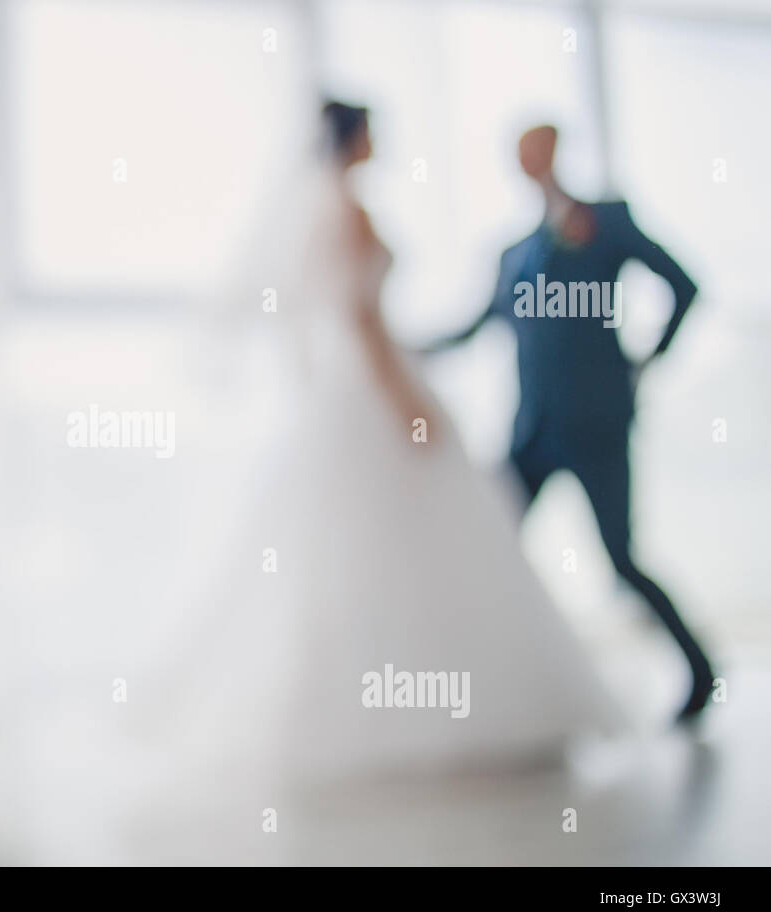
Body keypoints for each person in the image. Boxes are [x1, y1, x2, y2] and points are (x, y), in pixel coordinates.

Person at [121, 103, 626, 847]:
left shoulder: (315, 213)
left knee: (346, 560)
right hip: (374, 391)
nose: (382, 141)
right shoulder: (348, 212)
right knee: (398, 550)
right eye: (374, 130)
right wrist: (409, 409)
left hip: (341, 393)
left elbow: (313, 326)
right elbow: (363, 321)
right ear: (354, 139)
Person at [426, 125, 713, 721]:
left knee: (620, 557)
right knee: (492, 546)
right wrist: (402, 348)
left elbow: (684, 286)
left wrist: (646, 358)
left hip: (596, 427)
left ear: (555, 151)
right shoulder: (510, 254)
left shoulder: (606, 222)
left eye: (538, 148)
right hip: (532, 431)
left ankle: (700, 671)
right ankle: (475, 688)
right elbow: (476, 326)